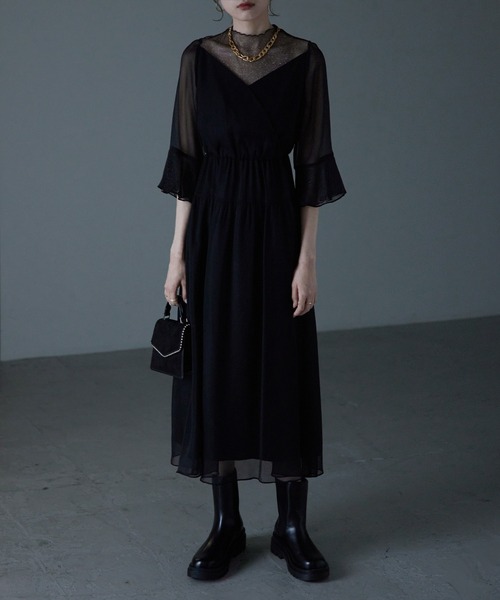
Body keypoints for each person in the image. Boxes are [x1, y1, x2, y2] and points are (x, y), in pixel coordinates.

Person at [158, 0, 346, 582]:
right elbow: (187, 162)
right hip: (212, 233)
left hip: (276, 230)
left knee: (282, 364)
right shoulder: (197, 59)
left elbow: (312, 164)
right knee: (217, 367)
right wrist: (176, 254)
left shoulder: (305, 58)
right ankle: (227, 524)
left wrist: (307, 261)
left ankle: (292, 528)